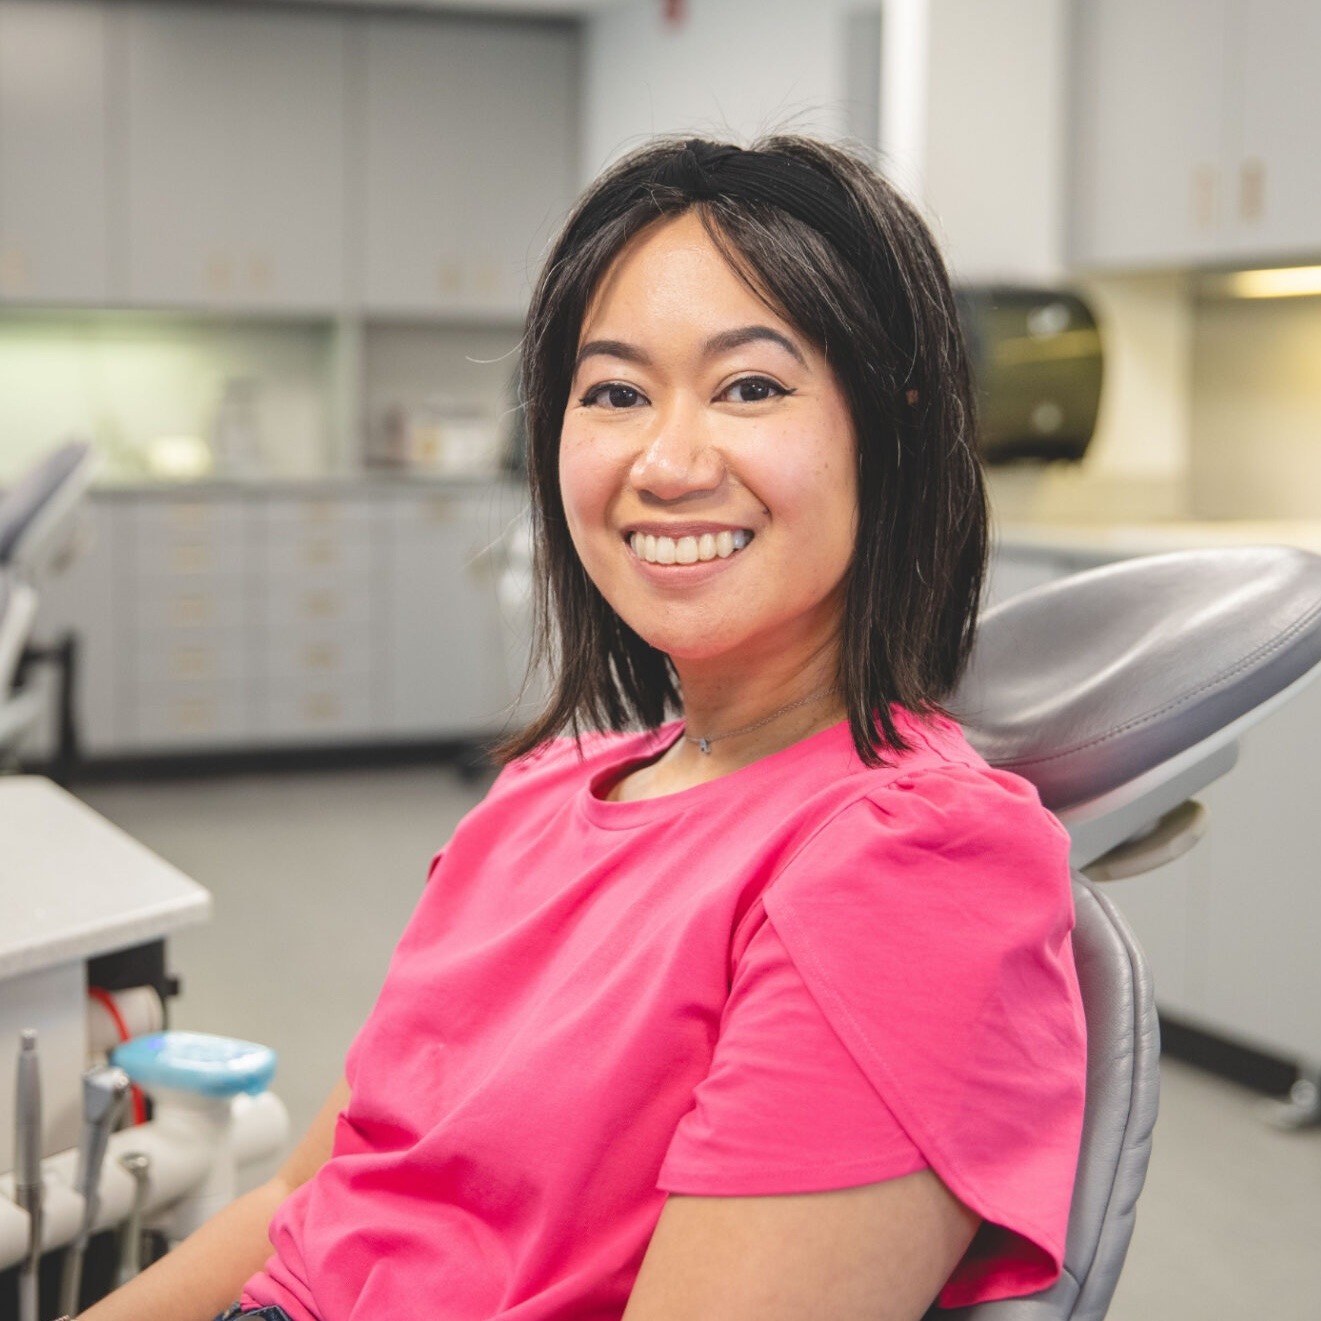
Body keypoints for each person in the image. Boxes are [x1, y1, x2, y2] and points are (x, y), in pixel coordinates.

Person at [82, 135, 1085, 1321]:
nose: (664, 463)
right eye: (612, 392)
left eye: (750, 386)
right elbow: (306, 1202)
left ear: (894, 425)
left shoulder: (905, 866)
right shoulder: (539, 798)